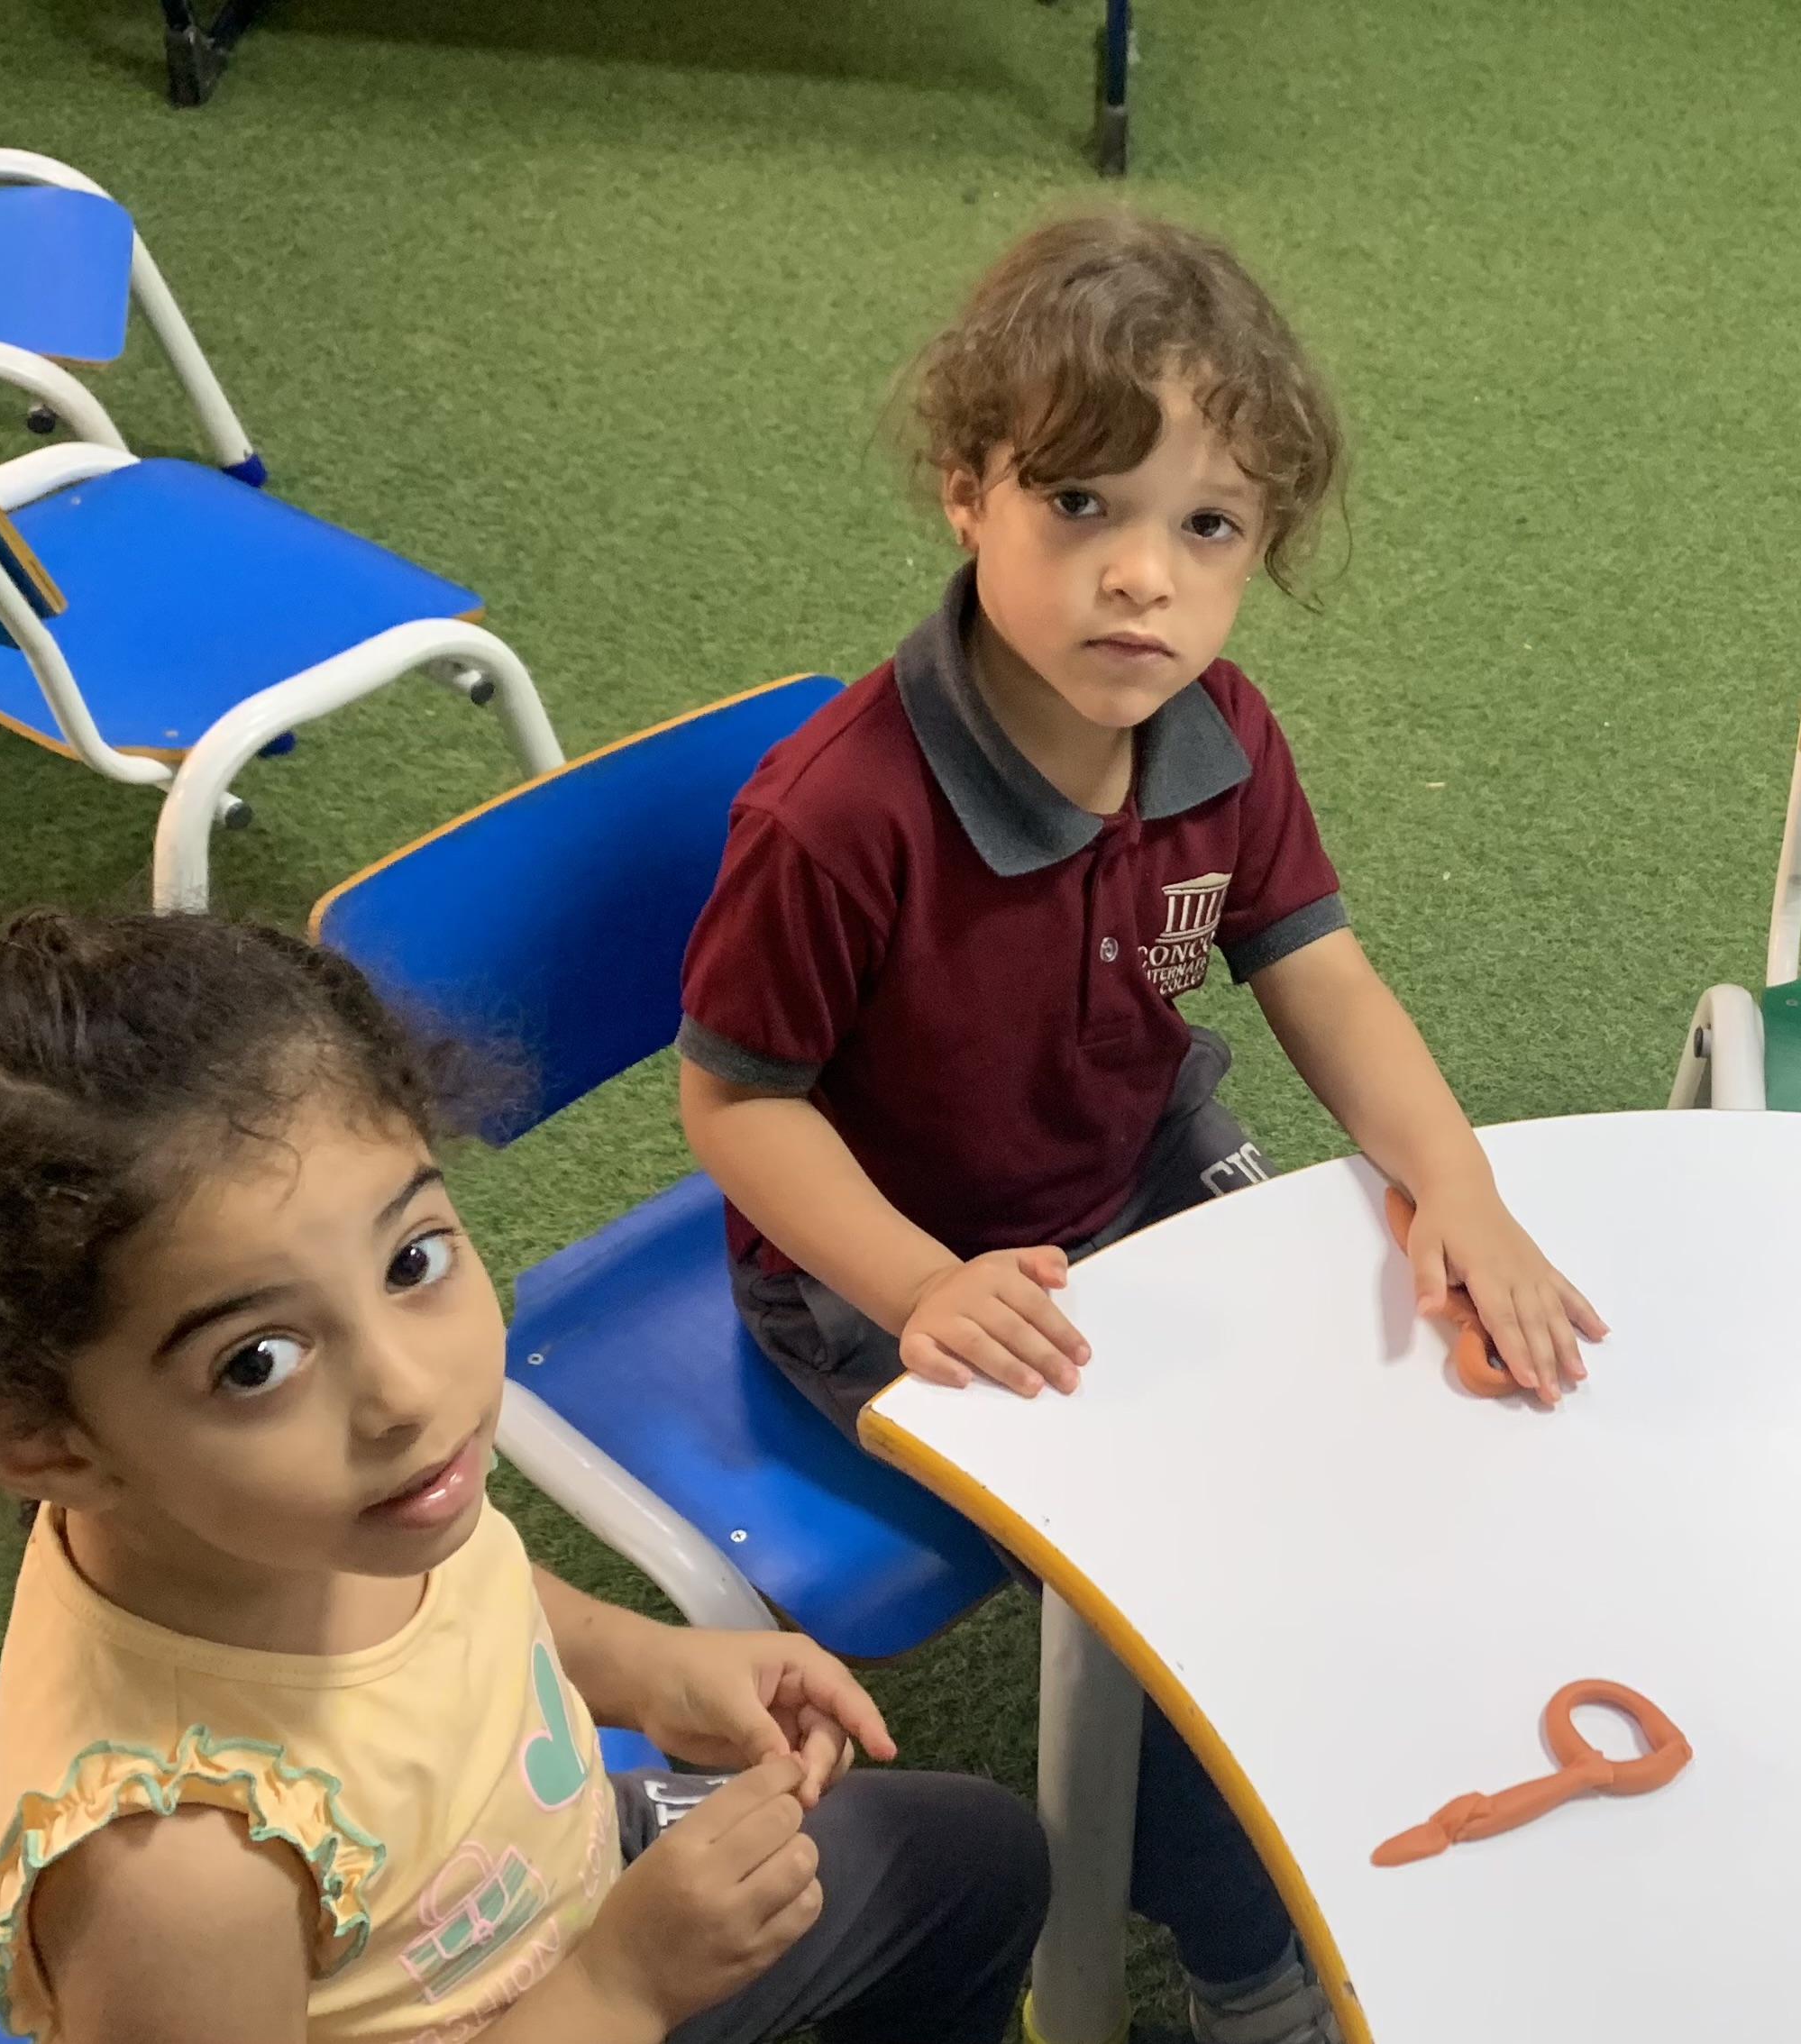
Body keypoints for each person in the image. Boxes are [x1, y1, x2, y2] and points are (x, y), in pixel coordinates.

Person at [673, 212, 1604, 2044]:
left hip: (1137, 1171)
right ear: (967, 490)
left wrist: (1460, 1182)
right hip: (895, 1262)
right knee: (1171, 1593)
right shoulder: (839, 816)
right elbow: (738, 1103)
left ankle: (1358, 1787)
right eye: (1081, 503)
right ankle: (1248, 1962)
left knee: (1397, 1412)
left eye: (1209, 526)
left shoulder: (1217, 725)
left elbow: (1315, 967)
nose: (1141, 581)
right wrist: (921, 1285)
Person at [0, 910, 1048, 2044]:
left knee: (975, 1860)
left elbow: (472, 1598)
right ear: (45, 1448)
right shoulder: (179, 1876)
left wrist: (648, 1665)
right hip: (562, 1991)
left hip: (547, 1876)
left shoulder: (297, 1508)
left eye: (411, 1260)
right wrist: (622, 1988)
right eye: (256, 1362)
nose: (406, 1390)